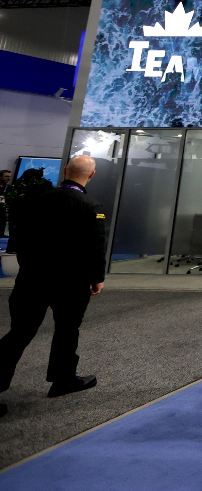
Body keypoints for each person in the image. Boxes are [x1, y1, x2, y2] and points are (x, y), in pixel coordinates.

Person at [0, 156, 107, 416]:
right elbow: (95, 246)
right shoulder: (91, 206)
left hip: (32, 278)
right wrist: (97, 277)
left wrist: (29, 268)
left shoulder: (36, 200)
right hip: (71, 282)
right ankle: (63, 379)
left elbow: (19, 238)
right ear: (91, 175)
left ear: (65, 171)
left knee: (19, 333)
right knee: (67, 329)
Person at [0, 169, 11, 237]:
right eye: (6, 176)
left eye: (9, 176)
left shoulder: (9, 188)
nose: (8, 178)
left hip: (3, 212)